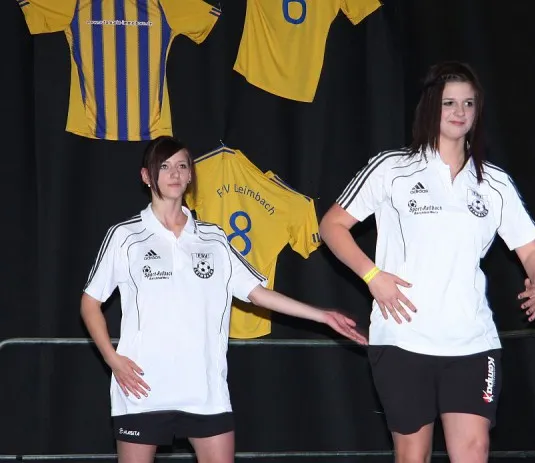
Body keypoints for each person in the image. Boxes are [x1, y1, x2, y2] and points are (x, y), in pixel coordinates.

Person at [80, 136, 367, 463]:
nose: (175, 173)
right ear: (146, 176)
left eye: (182, 166)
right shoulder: (125, 236)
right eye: (164, 166)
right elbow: (90, 303)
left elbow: (257, 293)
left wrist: (323, 316)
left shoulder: (214, 238)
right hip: (142, 388)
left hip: (206, 390)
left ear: (191, 174)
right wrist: (112, 359)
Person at [319, 61, 535, 463]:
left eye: (468, 103)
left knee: (474, 449)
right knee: (413, 453)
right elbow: (332, 225)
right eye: (449, 103)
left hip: (472, 340)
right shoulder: (392, 168)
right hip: (404, 338)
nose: (460, 111)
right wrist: (372, 275)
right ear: (430, 106)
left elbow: (532, 251)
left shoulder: (494, 182)